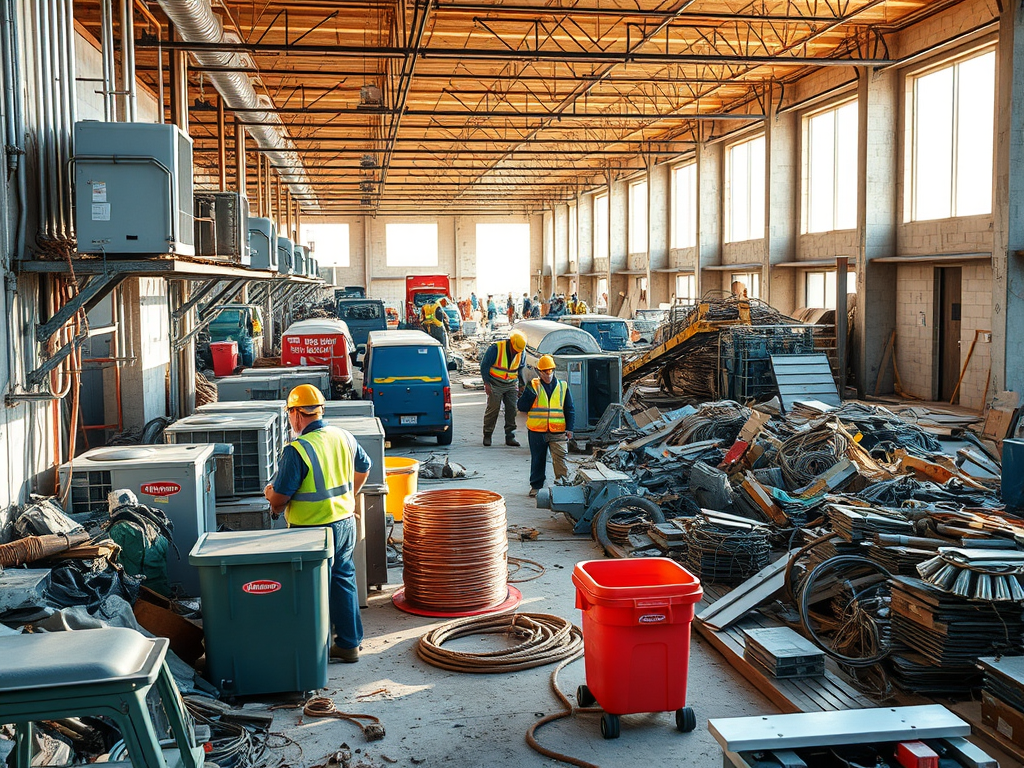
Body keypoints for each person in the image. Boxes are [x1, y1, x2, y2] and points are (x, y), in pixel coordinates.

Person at [264, 385, 371, 663]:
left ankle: (311, 648)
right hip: (345, 522)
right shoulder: (344, 436)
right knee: (343, 580)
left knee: (308, 588)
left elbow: (281, 497)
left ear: (298, 415)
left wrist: (270, 497)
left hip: (310, 531)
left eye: (290, 413)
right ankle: (349, 644)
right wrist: (351, 495)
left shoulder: (297, 449)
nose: (290, 419)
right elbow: (364, 466)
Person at [518, 355, 574, 497]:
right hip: (537, 430)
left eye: (550, 371)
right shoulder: (533, 386)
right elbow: (522, 407)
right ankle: (536, 486)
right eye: (545, 372)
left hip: (558, 430)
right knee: (538, 459)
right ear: (539, 372)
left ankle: (562, 484)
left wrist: (570, 428)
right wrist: (529, 394)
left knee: (560, 459)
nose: (548, 374)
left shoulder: (563, 386)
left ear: (554, 370)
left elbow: (569, 408)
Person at [480, 329, 526, 447]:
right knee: (493, 409)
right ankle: (488, 434)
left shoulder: (521, 352)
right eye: (515, 349)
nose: (517, 352)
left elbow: (520, 369)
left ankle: (510, 437)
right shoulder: (496, 348)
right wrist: (486, 383)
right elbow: (484, 366)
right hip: (495, 383)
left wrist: (521, 385)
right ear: (511, 343)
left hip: (511, 383)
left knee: (511, 410)